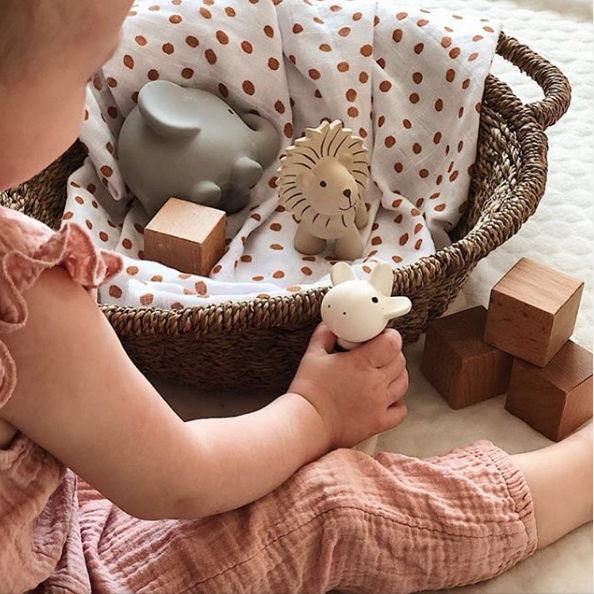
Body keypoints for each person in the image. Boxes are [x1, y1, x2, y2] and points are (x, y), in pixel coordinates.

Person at [0, 1, 591, 593]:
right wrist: (315, 412)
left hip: (36, 521)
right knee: (329, 507)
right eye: (82, 78)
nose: (87, 109)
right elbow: (177, 477)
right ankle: (580, 475)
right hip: (60, 569)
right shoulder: (23, 291)